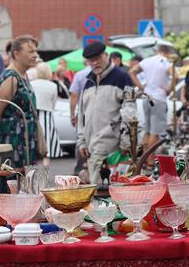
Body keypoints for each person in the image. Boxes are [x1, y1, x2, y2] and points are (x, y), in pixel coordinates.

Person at [77, 42, 134, 185]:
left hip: (112, 146)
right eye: (91, 60)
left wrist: (126, 141)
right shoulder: (88, 81)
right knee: (97, 192)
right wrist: (81, 141)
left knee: (107, 193)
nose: (95, 63)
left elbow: (130, 111)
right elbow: (82, 114)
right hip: (91, 146)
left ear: (106, 55)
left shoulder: (123, 77)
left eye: (98, 58)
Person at [0, 36, 40, 192]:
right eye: (30, 51)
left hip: (25, 143)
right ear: (17, 54)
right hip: (12, 144)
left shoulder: (22, 76)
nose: (35, 55)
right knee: (11, 187)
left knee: (24, 188)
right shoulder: (11, 78)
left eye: (35, 51)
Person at [129, 44, 177, 168]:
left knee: (147, 130)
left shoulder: (147, 61)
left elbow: (132, 72)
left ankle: (143, 160)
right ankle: (150, 161)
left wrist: (141, 87)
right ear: (166, 52)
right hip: (159, 98)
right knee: (154, 132)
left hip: (147, 97)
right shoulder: (166, 62)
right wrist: (170, 89)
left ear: (157, 51)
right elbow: (176, 76)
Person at [31, 62, 63, 166]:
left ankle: (31, 176)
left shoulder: (32, 84)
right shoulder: (53, 85)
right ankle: (44, 177)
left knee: (32, 149)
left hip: (33, 117)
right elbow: (53, 104)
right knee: (47, 152)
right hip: (47, 118)